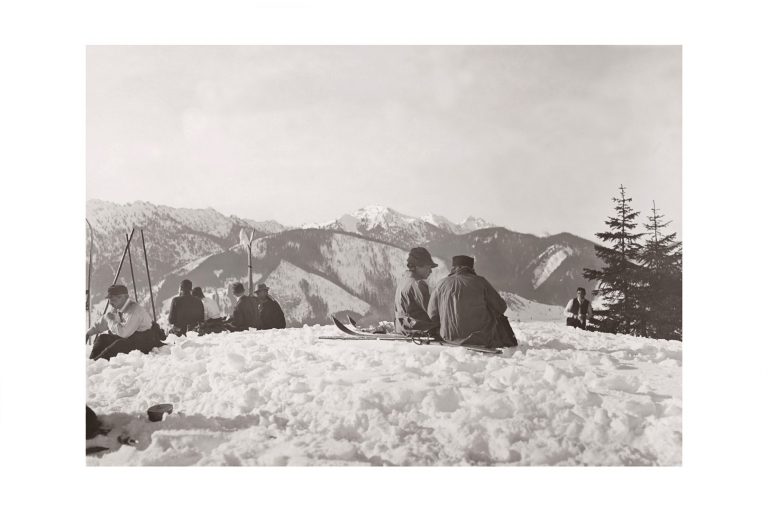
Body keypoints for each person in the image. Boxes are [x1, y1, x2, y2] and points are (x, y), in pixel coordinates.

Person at [427, 255, 517, 348]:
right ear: (470, 268)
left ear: (454, 268)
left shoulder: (441, 283)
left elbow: (432, 314)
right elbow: (501, 307)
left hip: (448, 336)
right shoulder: (480, 282)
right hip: (480, 338)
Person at [86, 284, 159, 360]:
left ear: (125, 297)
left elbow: (124, 333)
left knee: (118, 345)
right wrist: (88, 333)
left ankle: (97, 363)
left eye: (113, 299)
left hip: (145, 341)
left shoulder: (134, 310)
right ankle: (92, 361)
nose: (110, 303)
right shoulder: (117, 307)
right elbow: (104, 322)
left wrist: (110, 320)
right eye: (109, 300)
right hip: (131, 338)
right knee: (102, 338)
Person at [394, 247, 440, 337]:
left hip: (402, 327)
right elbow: (431, 311)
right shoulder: (418, 283)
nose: (430, 271)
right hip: (416, 329)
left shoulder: (405, 279)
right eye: (428, 267)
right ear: (418, 266)